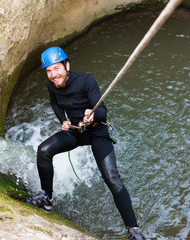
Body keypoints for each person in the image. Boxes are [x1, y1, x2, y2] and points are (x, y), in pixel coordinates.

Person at [25, 46, 146, 240]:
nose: (53, 75)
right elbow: (55, 103)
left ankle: (133, 230)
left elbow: (103, 112)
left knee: (112, 178)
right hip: (75, 131)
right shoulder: (51, 86)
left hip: (96, 131)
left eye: (57, 69)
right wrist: (62, 120)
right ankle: (47, 197)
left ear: (67, 66)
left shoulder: (86, 81)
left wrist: (92, 114)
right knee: (43, 151)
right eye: (49, 71)